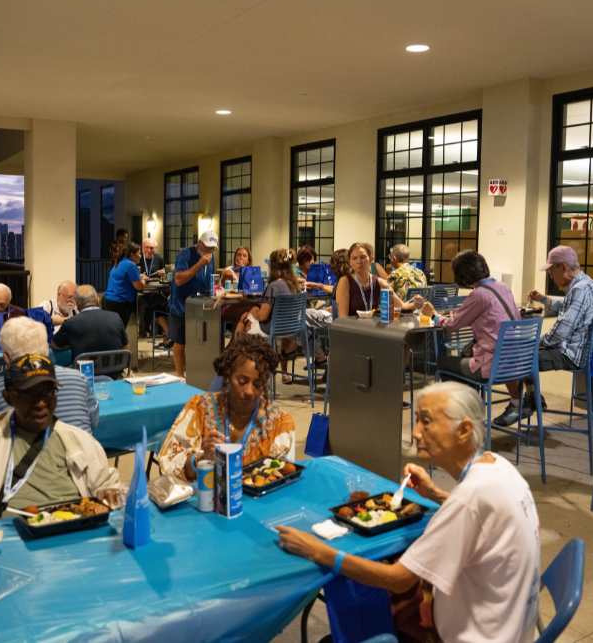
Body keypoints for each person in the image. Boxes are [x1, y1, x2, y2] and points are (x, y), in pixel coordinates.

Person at [277, 382, 540, 643]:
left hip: (477, 634)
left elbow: (399, 580)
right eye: (416, 420)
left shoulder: (470, 498)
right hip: (511, 623)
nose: (415, 432)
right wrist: (434, 493)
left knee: (355, 584)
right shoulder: (497, 467)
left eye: (426, 421)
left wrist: (317, 550)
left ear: (464, 430)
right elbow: (481, 517)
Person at [0, 354, 123, 528]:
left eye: (48, 392)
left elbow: (109, 487)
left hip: (73, 535)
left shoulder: (80, 440)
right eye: (30, 394)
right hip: (4, 541)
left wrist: (110, 494)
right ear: (8, 397)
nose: (41, 402)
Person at [157, 335, 296, 483]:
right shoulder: (201, 409)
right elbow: (167, 466)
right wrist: (201, 459)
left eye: (258, 384)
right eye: (242, 381)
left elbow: (284, 477)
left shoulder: (279, 423)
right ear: (228, 376)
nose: (249, 391)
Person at [502, 245, 593, 425]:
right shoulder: (587, 283)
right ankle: (533, 399)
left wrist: (537, 342)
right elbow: (567, 306)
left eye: (551, 270)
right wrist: (543, 299)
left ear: (563, 267)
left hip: (570, 355)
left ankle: (519, 404)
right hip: (577, 351)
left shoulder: (580, 289)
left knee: (516, 356)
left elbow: (562, 331)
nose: (550, 276)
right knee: (524, 351)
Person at [0, 317, 98, 434]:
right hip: (84, 461)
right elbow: (93, 422)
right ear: (46, 350)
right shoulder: (79, 378)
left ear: (6, 358)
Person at [437, 250, 519, 384]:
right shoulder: (503, 287)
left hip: (491, 365)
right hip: (514, 361)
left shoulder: (479, 294)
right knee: (466, 352)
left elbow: (451, 326)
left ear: (462, 275)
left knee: (442, 362)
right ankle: (515, 402)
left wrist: (434, 316)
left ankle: (466, 402)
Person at [236, 249, 303, 380]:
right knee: (249, 316)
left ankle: (239, 366)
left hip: (272, 329)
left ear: (273, 266)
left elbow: (263, 316)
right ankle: (284, 373)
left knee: (243, 320)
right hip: (292, 329)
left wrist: (253, 311)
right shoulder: (296, 285)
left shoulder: (273, 286)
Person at [169, 230, 219, 376]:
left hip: (200, 302)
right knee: (180, 341)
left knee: (199, 338)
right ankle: (179, 375)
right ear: (199, 243)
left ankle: (197, 372)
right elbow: (178, 279)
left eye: (212, 248)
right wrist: (199, 264)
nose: (209, 250)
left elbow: (209, 279)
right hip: (181, 303)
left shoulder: (211, 258)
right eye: (207, 247)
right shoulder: (186, 254)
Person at [52, 286, 128, 377]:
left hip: (85, 376)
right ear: (98, 299)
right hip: (116, 374)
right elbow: (125, 345)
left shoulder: (71, 323)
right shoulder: (116, 317)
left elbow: (55, 345)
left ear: (77, 303)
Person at [335, 242, 423, 318]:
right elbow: (343, 319)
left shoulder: (379, 282)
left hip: (372, 331)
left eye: (363, 257)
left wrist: (415, 303)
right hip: (351, 331)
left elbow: (402, 306)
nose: (359, 261)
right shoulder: (345, 281)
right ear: (350, 262)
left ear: (371, 259)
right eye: (354, 258)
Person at [103, 242, 145, 326]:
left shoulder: (119, 262)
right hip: (120, 303)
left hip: (108, 301)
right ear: (132, 254)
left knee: (113, 329)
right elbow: (139, 287)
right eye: (139, 253)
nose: (140, 256)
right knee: (119, 330)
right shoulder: (131, 265)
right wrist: (143, 279)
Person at [137, 238, 170, 341]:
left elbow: (165, 273)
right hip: (142, 291)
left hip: (156, 290)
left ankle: (163, 332)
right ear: (143, 248)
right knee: (147, 304)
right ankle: (147, 331)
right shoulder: (138, 258)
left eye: (152, 248)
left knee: (162, 302)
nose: (150, 250)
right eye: (148, 248)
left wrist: (163, 272)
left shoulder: (159, 258)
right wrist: (140, 276)